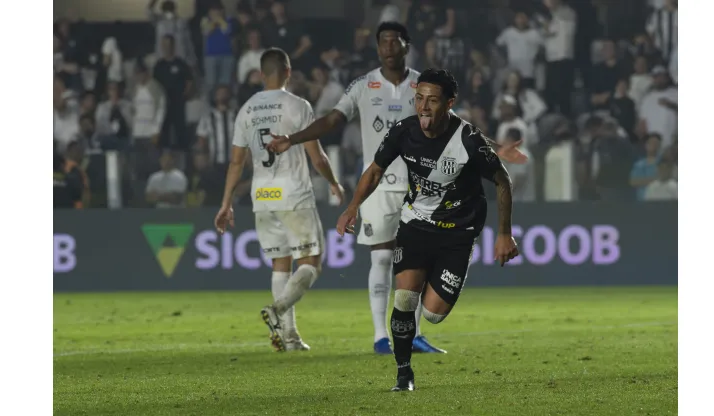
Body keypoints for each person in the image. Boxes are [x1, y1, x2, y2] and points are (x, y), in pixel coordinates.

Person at [264, 21, 446, 355]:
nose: (388, 47)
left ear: (407, 45)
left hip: (420, 185)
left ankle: (415, 334)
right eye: (383, 42)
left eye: (395, 41)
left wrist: (492, 149)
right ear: (377, 48)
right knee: (381, 258)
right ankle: (380, 337)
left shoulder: (424, 84)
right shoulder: (364, 85)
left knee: (422, 262)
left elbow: (454, 127)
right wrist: (291, 139)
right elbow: (333, 120)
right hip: (376, 184)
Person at [335, 68, 519, 391]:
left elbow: (503, 180)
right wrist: (352, 207)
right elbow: (375, 170)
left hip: (458, 232)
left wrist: (505, 233)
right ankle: (403, 372)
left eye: (432, 101)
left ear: (450, 103)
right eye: (419, 98)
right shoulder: (403, 132)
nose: (423, 107)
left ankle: (438, 274)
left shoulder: (468, 140)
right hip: (416, 224)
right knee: (405, 298)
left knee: (433, 314)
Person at [214, 48, 345, 352]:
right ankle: (278, 309)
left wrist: (226, 203)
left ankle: (290, 337)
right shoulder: (298, 106)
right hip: (293, 193)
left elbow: (236, 162)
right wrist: (334, 183)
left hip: (262, 195)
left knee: (280, 264)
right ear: (288, 72)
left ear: (261, 74)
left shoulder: (246, 109)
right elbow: (317, 155)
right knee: (312, 262)